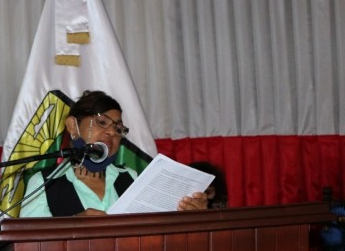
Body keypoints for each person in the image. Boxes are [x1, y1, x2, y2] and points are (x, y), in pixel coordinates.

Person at [19, 90, 208, 217]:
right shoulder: (43, 184)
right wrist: (75, 224)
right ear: (73, 126)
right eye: (101, 122)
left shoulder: (132, 178)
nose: (111, 132)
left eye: (118, 129)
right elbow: (30, 247)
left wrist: (191, 215)